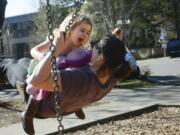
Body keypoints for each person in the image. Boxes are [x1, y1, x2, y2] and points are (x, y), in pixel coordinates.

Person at [25, 33, 132, 134]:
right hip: (70, 106)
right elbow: (116, 56)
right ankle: (77, 107)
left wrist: (54, 51)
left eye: (96, 46)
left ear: (100, 58)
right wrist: (116, 41)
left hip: (45, 109)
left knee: (17, 66)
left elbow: (37, 81)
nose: (92, 48)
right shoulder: (112, 79)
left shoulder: (76, 78)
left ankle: (27, 115)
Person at [21, 13, 93, 134]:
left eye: (88, 33)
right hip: (42, 69)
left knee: (75, 77)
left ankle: (76, 105)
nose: (85, 35)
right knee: (38, 86)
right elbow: (34, 50)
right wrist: (43, 56)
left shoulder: (78, 49)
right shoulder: (57, 38)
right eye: (82, 30)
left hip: (60, 71)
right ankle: (28, 114)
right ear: (70, 27)